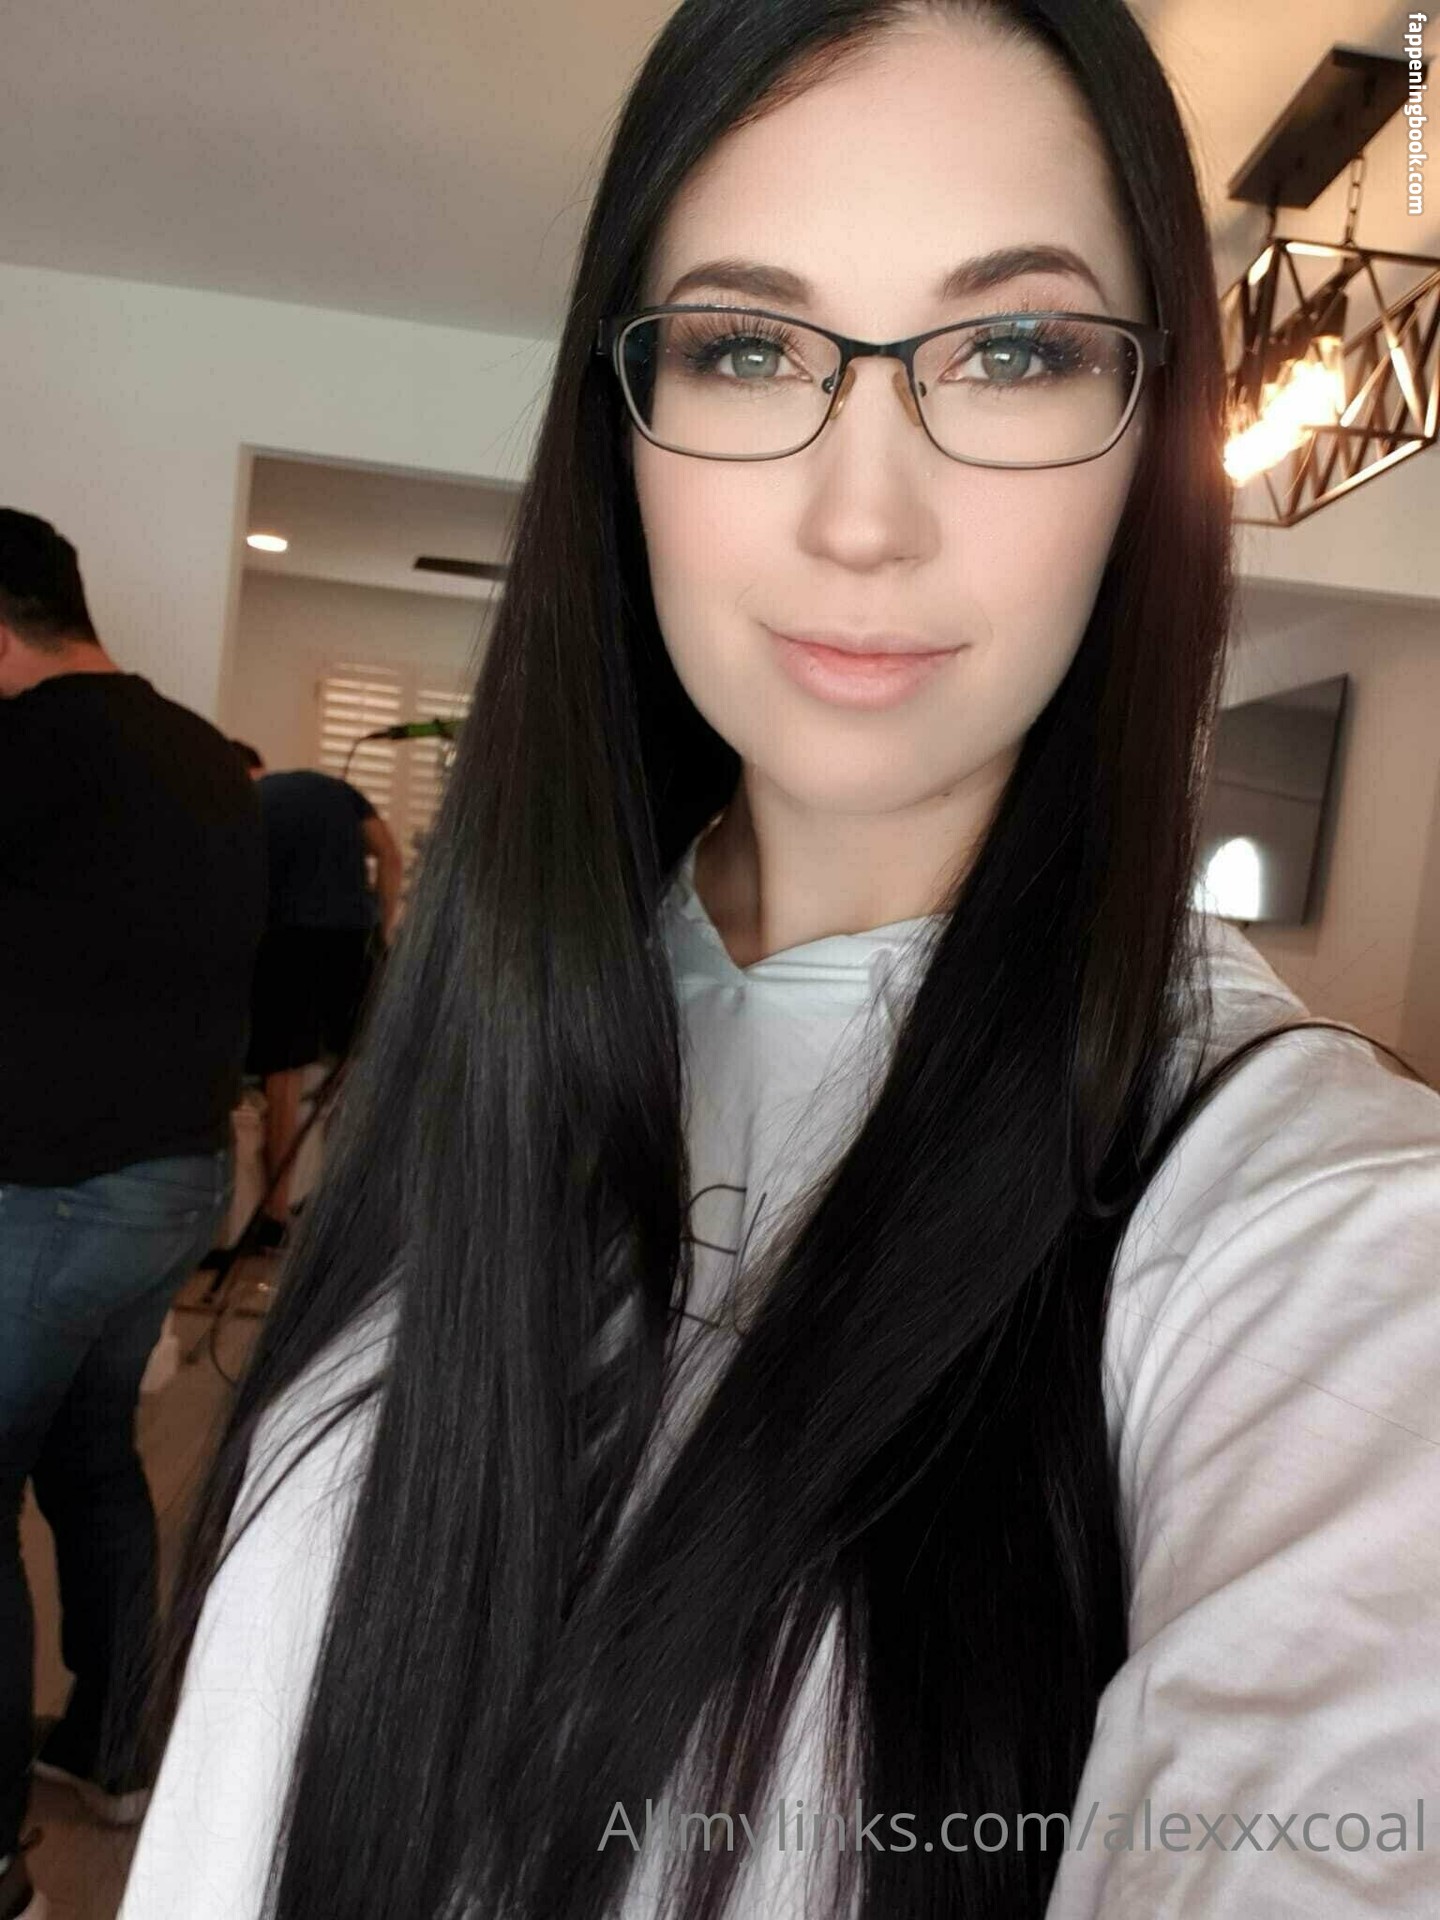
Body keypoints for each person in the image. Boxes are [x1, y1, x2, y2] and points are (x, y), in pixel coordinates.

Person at [120, 4, 1440, 1918]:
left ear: (1151, 431)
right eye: (745, 346)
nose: (862, 519)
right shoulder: (515, 1022)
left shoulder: (1308, 1229)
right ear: (624, 421)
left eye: (1016, 349)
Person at [0, 509, 265, 1920]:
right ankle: (110, 1753)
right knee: (92, 1456)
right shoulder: (201, 753)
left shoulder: (28, 749)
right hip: (173, 1179)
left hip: (57, 1188)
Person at [231, 749, 401, 1248]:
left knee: (283, 1072)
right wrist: (381, 930)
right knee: (356, 1069)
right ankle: (351, 1211)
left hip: (286, 942)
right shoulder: (334, 788)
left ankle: (275, 1213)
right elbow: (389, 857)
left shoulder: (248, 802)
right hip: (351, 939)